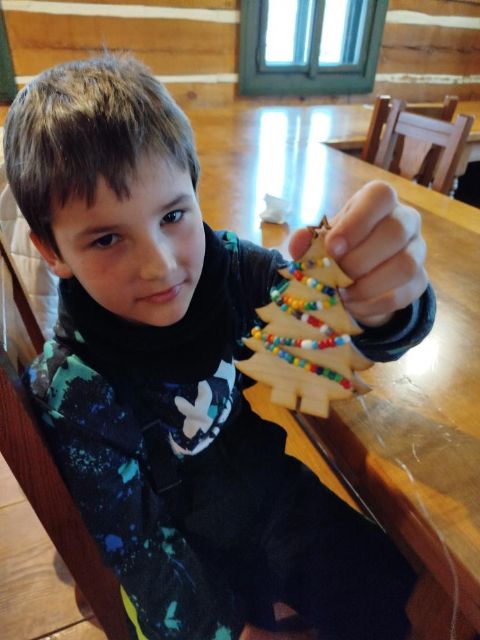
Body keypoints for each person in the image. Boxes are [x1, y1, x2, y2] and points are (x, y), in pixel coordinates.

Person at [3, 54, 435, 640]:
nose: (160, 266)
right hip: (193, 558)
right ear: (52, 251)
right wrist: (232, 633)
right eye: (106, 239)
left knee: (402, 593)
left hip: (275, 497)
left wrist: (378, 305)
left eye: (173, 215)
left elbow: (322, 340)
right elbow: (142, 554)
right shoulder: (76, 389)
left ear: (194, 190)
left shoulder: (225, 266)